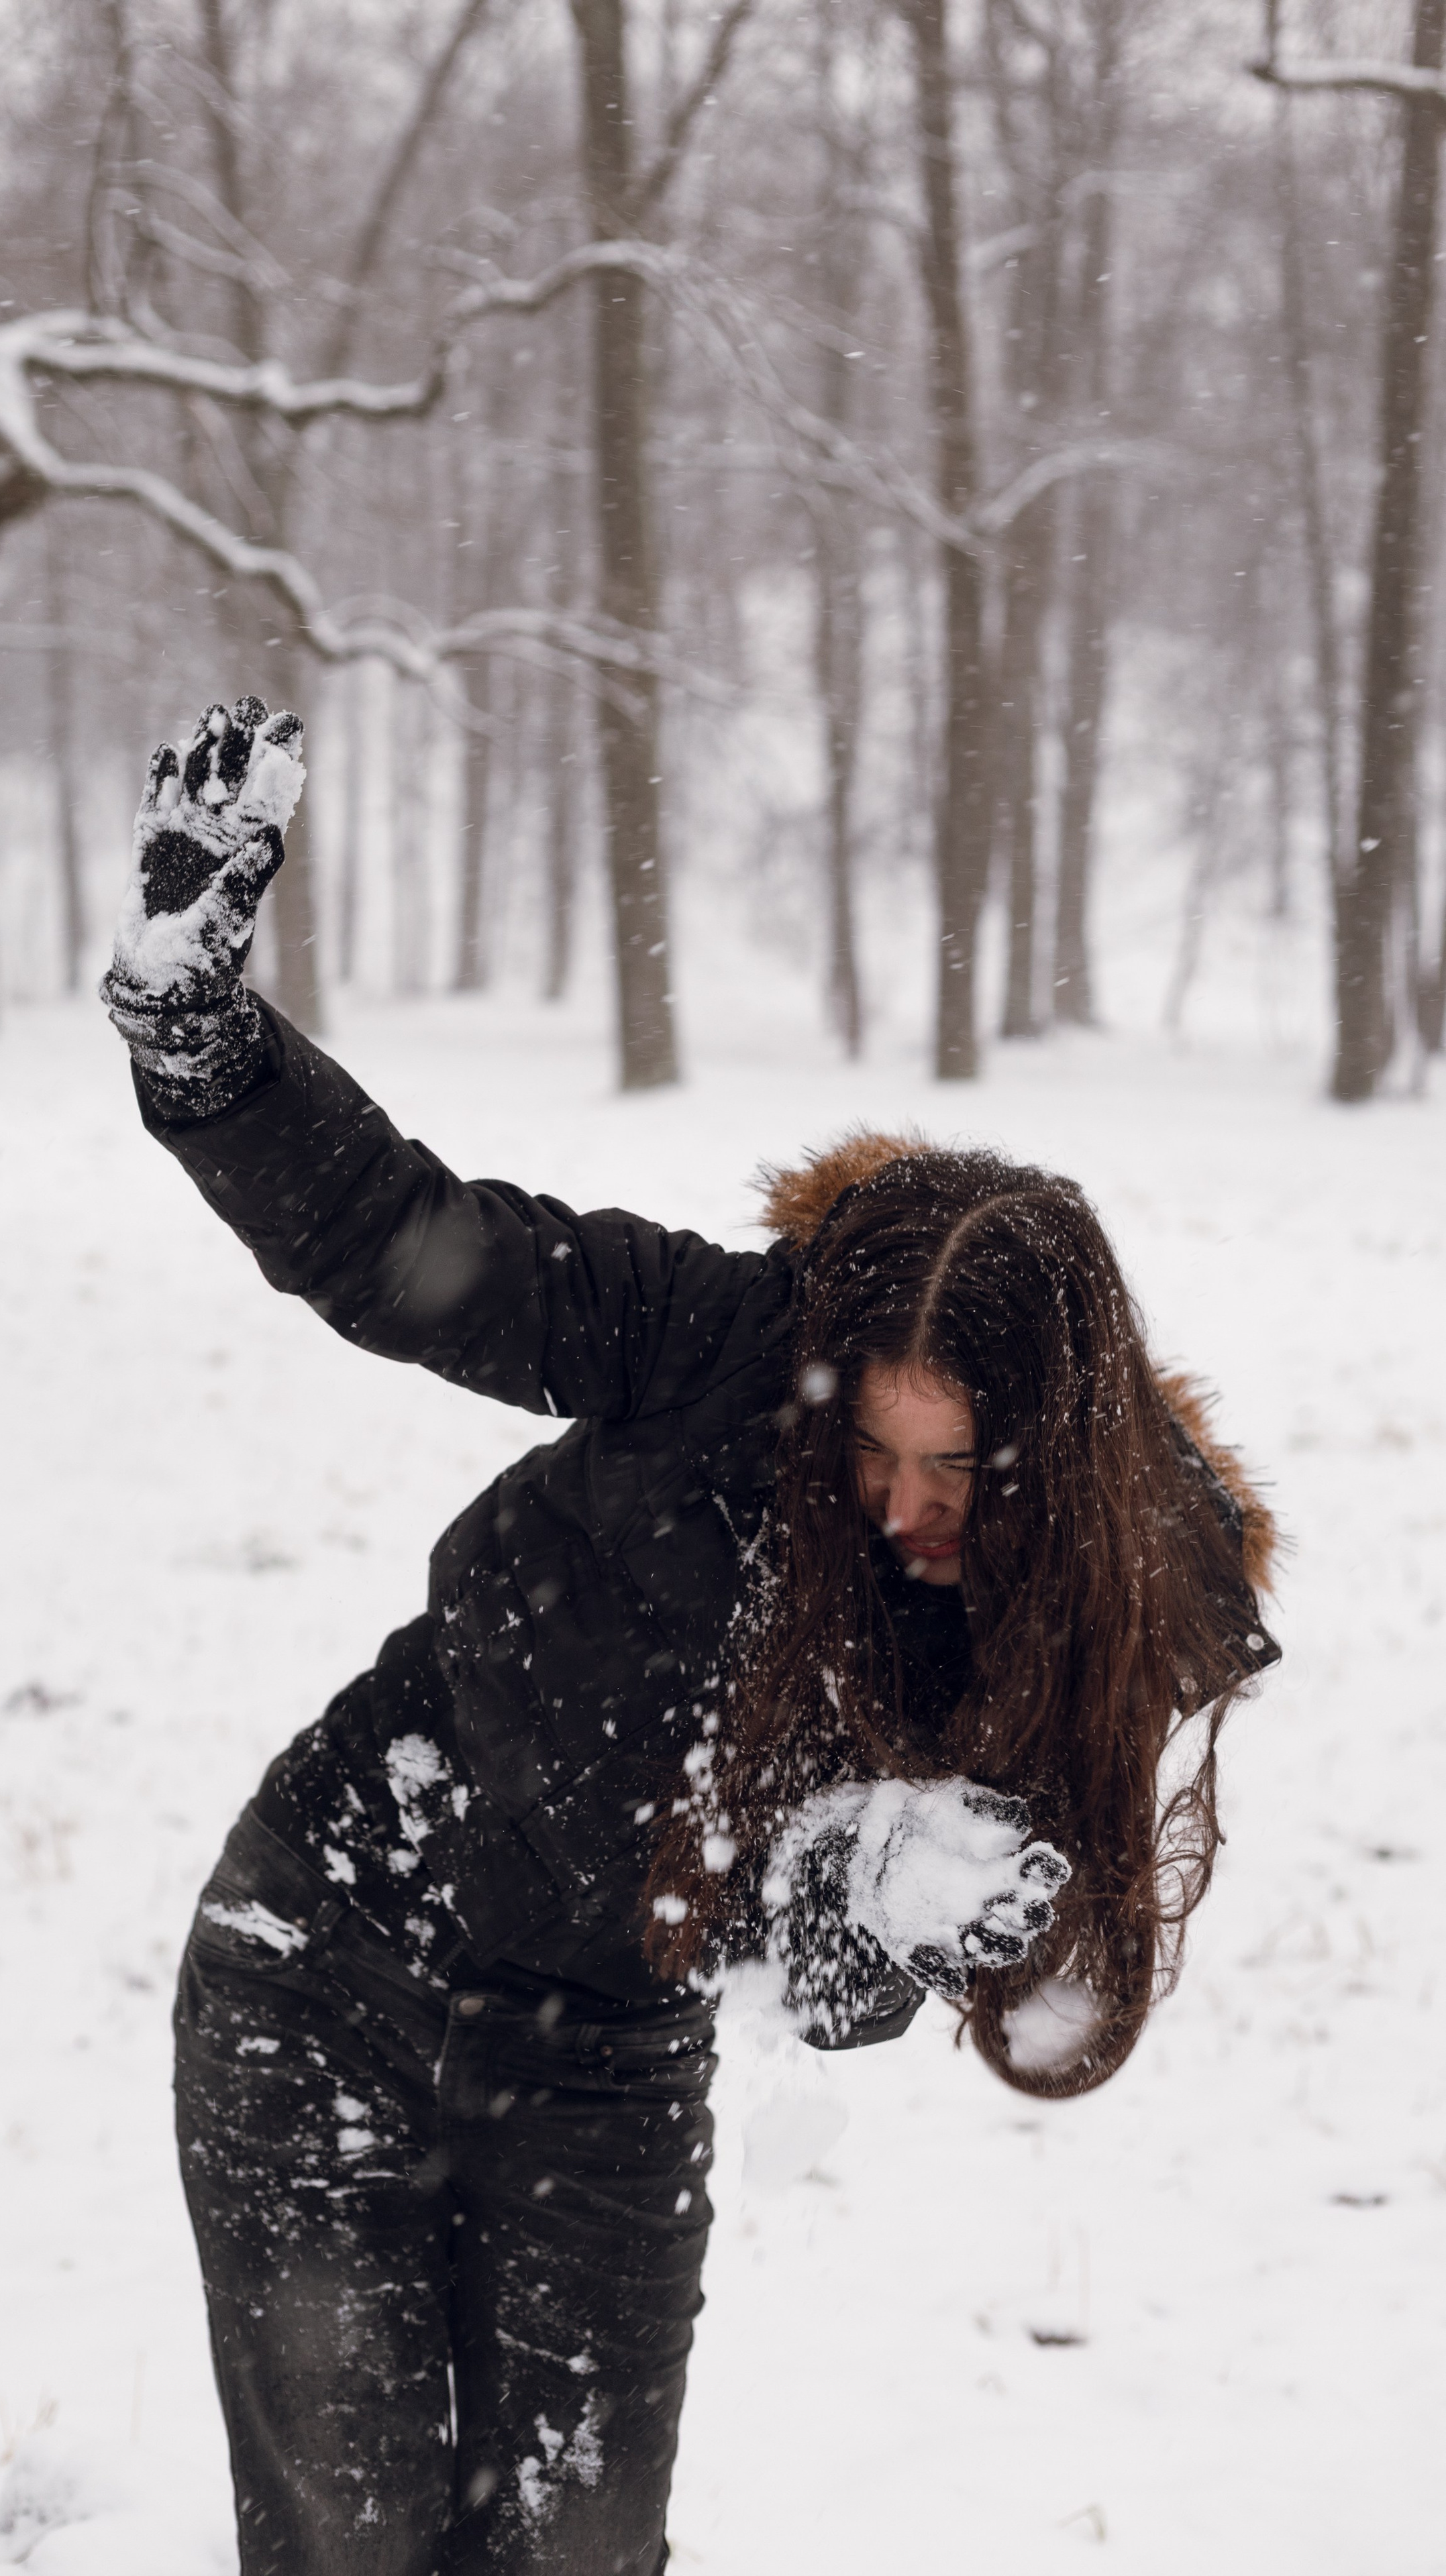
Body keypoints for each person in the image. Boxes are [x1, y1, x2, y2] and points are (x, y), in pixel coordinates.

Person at [101, 698, 1280, 2576]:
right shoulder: (727, 1345)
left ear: (1048, 1463)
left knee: (578, 2554)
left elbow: (915, 1986)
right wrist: (203, 1045)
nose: (902, 1510)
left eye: (955, 1473)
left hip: (600, 2061)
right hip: (327, 1947)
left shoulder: (1065, 1636)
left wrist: (878, 1899)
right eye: (871, 1450)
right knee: (353, 2542)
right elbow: (412, 1253)